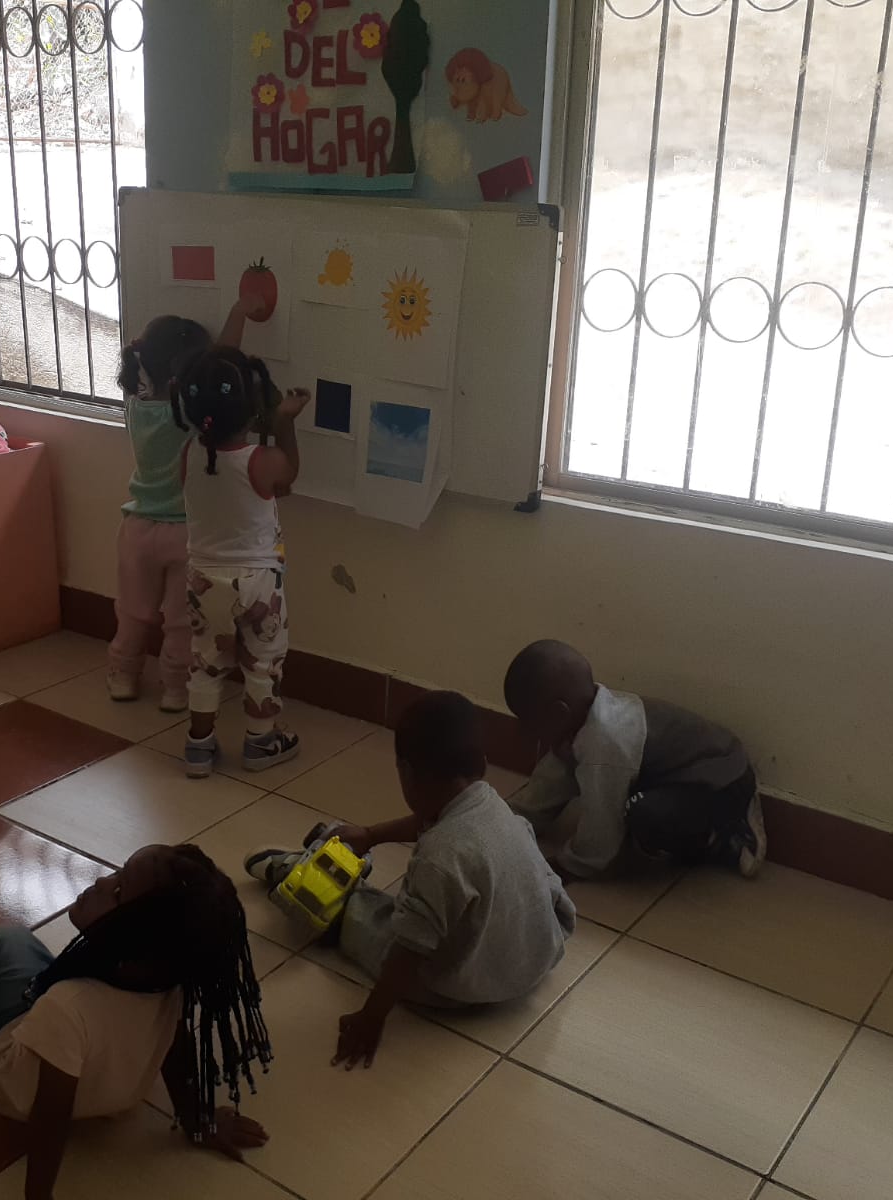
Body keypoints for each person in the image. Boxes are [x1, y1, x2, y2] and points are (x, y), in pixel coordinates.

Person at [245, 690, 576, 1069]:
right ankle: (357, 867)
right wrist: (371, 835)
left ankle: (295, 875)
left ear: (405, 771)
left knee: (378, 924)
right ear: (482, 764)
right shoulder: (492, 804)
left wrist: (372, 1017)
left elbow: (408, 951)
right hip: (533, 957)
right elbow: (432, 818)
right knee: (456, 893)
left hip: (464, 986)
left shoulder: (439, 857)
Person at [0, 844, 273, 1200]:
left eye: (118, 890)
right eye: (117, 873)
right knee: (44, 972)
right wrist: (197, 1121)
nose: (102, 881)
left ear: (138, 939)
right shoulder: (169, 980)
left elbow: (51, 1116)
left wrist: (38, 1196)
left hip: (22, 1089)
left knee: (5, 941)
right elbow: (175, 1047)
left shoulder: (66, 1006)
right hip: (113, 1094)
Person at [502, 639, 767, 882]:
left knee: (645, 815)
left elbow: (602, 818)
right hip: (688, 770)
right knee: (632, 807)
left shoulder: (605, 745)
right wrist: (507, 820)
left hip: (722, 779)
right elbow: (550, 782)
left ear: (559, 713)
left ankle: (722, 836)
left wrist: (571, 864)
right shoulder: (581, 719)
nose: (522, 731)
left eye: (526, 721)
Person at [107, 302, 261, 711]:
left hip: (137, 528)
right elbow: (225, 357)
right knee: (180, 620)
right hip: (186, 535)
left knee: (133, 611)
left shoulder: (135, 408)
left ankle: (123, 675)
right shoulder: (190, 416)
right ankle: (176, 688)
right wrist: (239, 312)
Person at [170, 344, 310, 778]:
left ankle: (198, 746)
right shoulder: (261, 461)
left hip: (202, 581)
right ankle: (260, 742)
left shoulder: (188, 454)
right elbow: (288, 474)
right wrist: (284, 422)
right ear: (253, 413)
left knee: (206, 662)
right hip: (258, 584)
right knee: (263, 663)